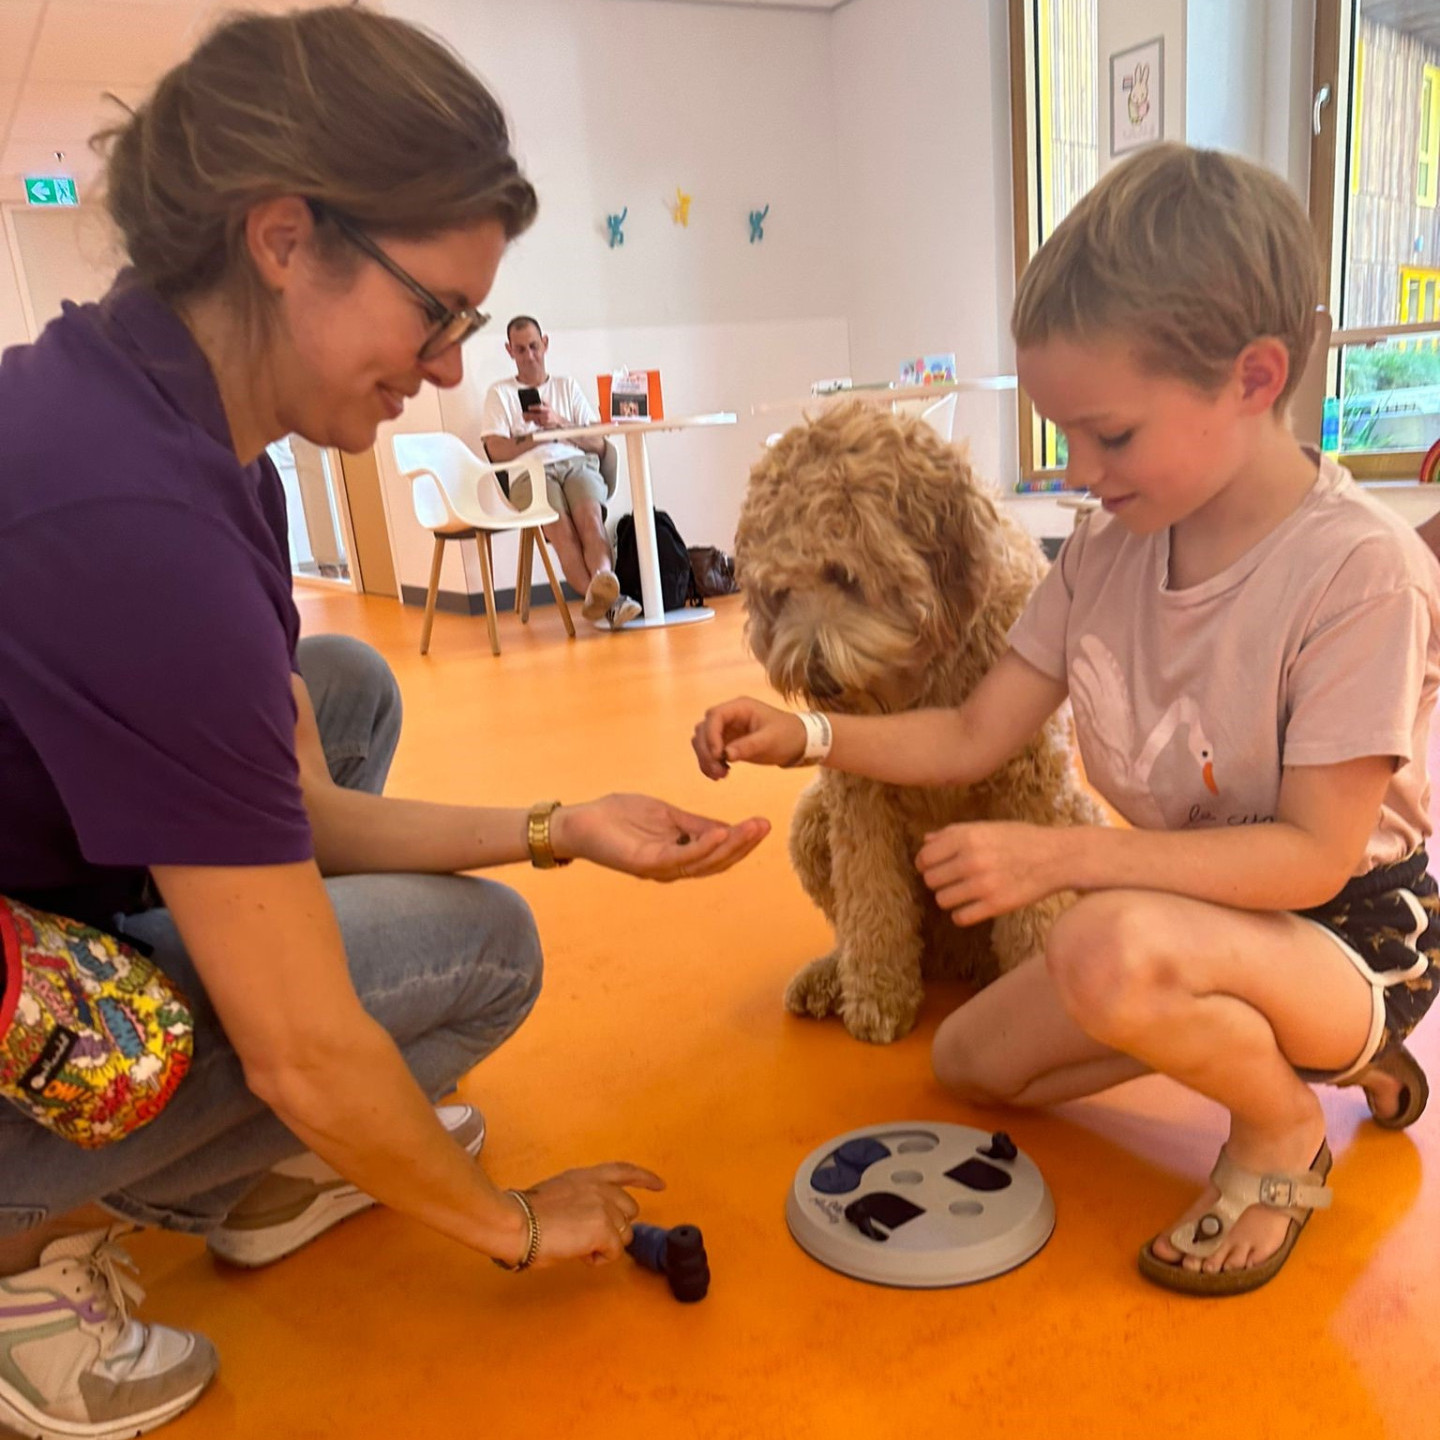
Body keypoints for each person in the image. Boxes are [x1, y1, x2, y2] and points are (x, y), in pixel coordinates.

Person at [0, 8, 768, 1437]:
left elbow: (290, 811)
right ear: (283, 237)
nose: (446, 363)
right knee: (480, 953)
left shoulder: (168, 431)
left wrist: (562, 825)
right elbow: (300, 1040)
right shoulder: (134, 522)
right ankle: (23, 1281)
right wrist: (512, 1225)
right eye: (440, 312)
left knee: (339, 694)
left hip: (44, 889)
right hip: (17, 989)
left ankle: (247, 1174)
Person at [694, 143, 1440, 1298]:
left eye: (1113, 435)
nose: (1079, 471)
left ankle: (1283, 1123)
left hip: (1352, 928)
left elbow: (1312, 858)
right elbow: (970, 734)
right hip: (1182, 908)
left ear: (1253, 377)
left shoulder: (1361, 572)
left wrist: (1063, 859)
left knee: (1102, 939)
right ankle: (1315, 1054)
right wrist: (809, 738)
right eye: (1065, 436)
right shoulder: (1107, 547)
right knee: (970, 1063)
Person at [480, 317, 642, 627]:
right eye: (520, 349)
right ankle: (613, 603)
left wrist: (558, 424)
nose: (529, 356)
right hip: (530, 473)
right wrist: (534, 438)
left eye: (534, 347)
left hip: (576, 463)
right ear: (509, 351)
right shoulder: (500, 393)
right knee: (563, 533)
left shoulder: (566, 386)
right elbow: (496, 449)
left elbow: (597, 442)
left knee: (592, 523)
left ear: (545, 344)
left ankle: (604, 592)